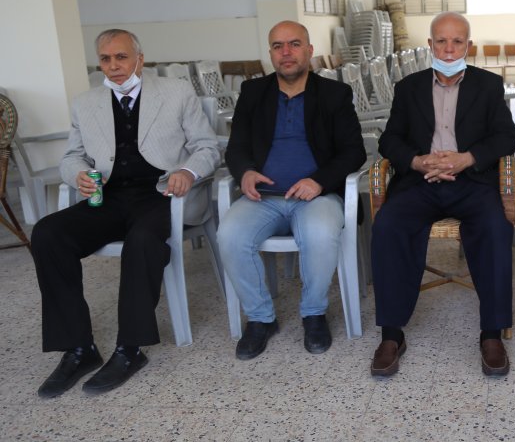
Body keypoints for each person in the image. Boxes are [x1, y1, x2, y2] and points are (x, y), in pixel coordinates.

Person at [31, 29, 220, 397]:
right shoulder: (85, 103)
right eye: (105, 59)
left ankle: (130, 348)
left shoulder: (176, 92)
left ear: (139, 59)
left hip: (163, 194)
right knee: (48, 234)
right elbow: (72, 157)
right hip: (111, 196)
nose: (114, 65)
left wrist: (187, 171)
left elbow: (207, 147)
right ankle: (79, 348)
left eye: (121, 57)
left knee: (143, 238)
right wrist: (78, 174)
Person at [369, 12, 515, 377]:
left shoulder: (488, 85)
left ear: (469, 45)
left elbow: (507, 136)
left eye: (457, 42)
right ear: (430, 45)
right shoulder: (409, 87)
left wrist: (467, 158)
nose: (449, 49)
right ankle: (391, 334)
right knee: (388, 225)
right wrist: (417, 162)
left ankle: (491, 333)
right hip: (420, 182)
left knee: (495, 228)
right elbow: (390, 139)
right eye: (441, 41)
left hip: (470, 182)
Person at [218, 21, 365, 360]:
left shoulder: (334, 94)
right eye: (277, 46)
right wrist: (245, 172)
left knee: (319, 233)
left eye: (294, 44)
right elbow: (236, 146)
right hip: (263, 198)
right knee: (230, 235)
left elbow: (353, 151)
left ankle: (313, 314)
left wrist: (319, 181)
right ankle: (260, 318)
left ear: (309, 50)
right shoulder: (253, 92)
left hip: (317, 197)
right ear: (270, 53)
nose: (286, 52)